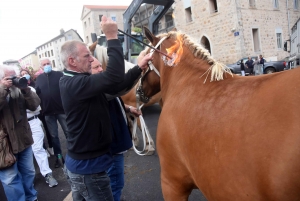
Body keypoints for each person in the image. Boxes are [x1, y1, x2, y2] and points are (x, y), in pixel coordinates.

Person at [59, 15, 152, 201]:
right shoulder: (74, 84)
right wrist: (111, 36)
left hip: (85, 166)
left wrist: (138, 68)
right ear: (72, 61)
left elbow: (115, 87)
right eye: (87, 56)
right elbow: (114, 78)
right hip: (89, 169)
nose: (92, 59)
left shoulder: (78, 82)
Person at [91, 57, 141, 201]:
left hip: (116, 146)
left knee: (114, 183)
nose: (101, 69)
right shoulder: (95, 89)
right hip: (112, 149)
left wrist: (129, 108)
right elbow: (120, 88)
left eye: (101, 66)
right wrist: (139, 67)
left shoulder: (101, 87)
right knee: (115, 184)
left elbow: (115, 99)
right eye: (96, 67)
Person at [0, 65, 40, 201]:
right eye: (9, 78)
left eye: (14, 77)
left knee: (29, 172)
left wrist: (26, 89)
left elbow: (35, 105)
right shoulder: (3, 90)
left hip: (23, 140)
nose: (13, 81)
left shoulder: (19, 92)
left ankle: (31, 197)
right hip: (4, 146)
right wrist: (3, 89)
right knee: (10, 179)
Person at [35, 58, 68, 168]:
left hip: (62, 110)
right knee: (54, 137)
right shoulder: (39, 79)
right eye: (44, 64)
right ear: (41, 67)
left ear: (51, 64)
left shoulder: (59, 74)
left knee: (69, 133)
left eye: (48, 63)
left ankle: (75, 155)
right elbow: (37, 95)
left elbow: (67, 89)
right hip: (48, 112)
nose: (46, 65)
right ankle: (59, 158)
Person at [24, 82, 58, 187]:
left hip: (32, 122)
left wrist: (24, 91)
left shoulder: (28, 89)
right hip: (15, 126)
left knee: (38, 149)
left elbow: (36, 107)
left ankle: (47, 174)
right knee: (23, 153)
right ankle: (28, 178)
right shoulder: (3, 92)